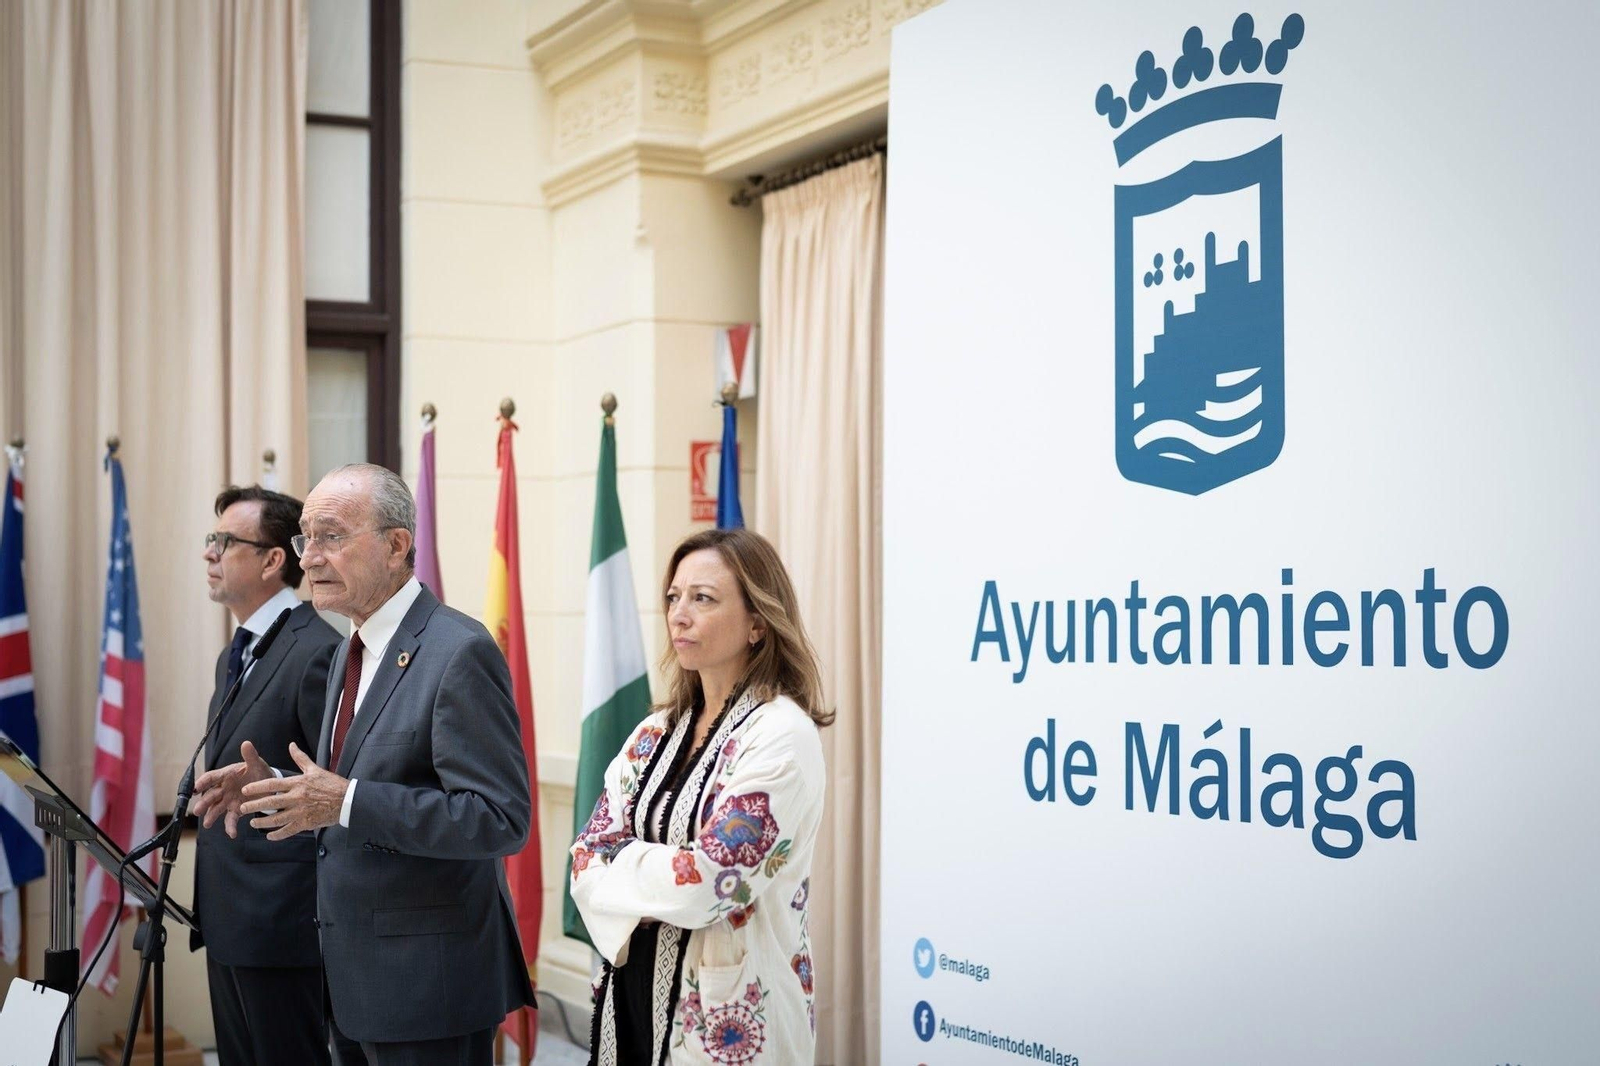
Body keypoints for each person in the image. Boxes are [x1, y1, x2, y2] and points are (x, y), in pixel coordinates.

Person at [193, 463, 534, 1066]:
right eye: (304, 539)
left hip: (428, 985)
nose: (311, 557)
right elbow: (344, 788)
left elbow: (497, 818)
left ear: (397, 545)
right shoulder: (351, 645)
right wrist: (273, 786)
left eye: (331, 536)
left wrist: (344, 801)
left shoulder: (459, 650)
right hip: (349, 979)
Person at [571, 527, 831, 1065]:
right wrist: (653, 872)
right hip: (633, 996)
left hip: (728, 1014)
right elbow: (582, 860)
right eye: (674, 597)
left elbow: (714, 881)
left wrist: (624, 865)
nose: (679, 615)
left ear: (758, 622)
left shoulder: (781, 735)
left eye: (703, 599)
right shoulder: (655, 731)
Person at [192, 485, 341, 1066]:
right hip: (229, 913)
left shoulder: (316, 648)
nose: (209, 553)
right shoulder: (238, 650)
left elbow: (334, 781)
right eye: (211, 540)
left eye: (224, 542)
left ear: (273, 559)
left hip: (281, 922)